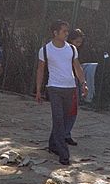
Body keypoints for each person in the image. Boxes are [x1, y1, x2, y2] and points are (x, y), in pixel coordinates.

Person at [35, 20, 88, 166]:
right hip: (54, 88)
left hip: (70, 87)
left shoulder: (71, 49)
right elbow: (40, 70)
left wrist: (83, 83)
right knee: (58, 119)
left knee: (64, 120)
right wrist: (38, 90)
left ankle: (53, 144)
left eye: (67, 31)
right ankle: (64, 154)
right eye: (64, 31)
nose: (66, 33)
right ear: (55, 33)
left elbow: (77, 67)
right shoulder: (45, 50)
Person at [64, 29, 86, 144]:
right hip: (64, 82)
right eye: (77, 42)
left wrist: (83, 83)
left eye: (80, 42)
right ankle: (62, 134)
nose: (79, 45)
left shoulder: (75, 51)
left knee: (72, 109)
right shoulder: (65, 49)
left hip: (74, 82)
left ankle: (66, 133)